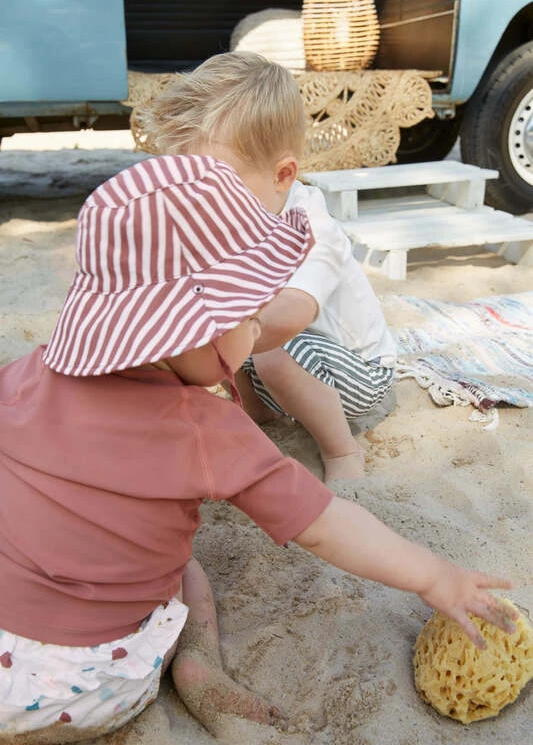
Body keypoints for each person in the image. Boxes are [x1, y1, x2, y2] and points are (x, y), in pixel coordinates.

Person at [0, 155, 517, 744]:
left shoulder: (22, 376)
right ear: (183, 330)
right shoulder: (205, 427)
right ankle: (198, 665)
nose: (255, 329)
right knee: (187, 570)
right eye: (244, 313)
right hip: (87, 686)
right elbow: (324, 524)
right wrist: (434, 576)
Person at [142, 51, 398, 484]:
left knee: (261, 338)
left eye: (216, 186)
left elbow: (295, 310)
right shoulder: (222, 221)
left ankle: (341, 450)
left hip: (358, 380)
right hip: (279, 372)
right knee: (217, 310)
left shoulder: (311, 225)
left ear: (282, 176)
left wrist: (231, 331)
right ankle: (258, 410)